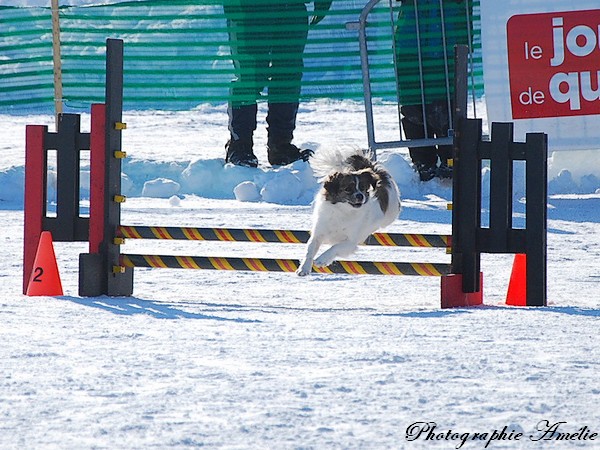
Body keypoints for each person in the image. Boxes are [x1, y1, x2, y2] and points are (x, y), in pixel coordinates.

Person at [224, 0, 332, 167]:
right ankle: (239, 146)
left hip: (293, 8)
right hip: (249, 9)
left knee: (288, 75)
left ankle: (281, 146)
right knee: (250, 76)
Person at [394, 0, 472, 181]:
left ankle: (450, 159)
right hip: (412, 39)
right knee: (413, 102)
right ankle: (423, 162)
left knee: (448, 102)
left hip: (448, 34)